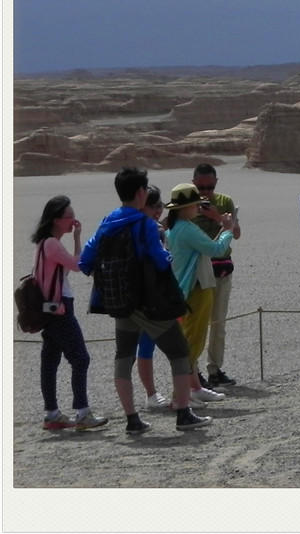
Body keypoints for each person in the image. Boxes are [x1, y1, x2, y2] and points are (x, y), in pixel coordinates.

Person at [78, 167, 212, 432]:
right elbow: (161, 262)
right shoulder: (146, 224)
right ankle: (183, 413)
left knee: (123, 358)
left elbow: (85, 261)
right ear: (141, 192)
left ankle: (132, 419)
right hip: (148, 303)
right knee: (179, 352)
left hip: (119, 302)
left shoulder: (107, 222)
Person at [30, 195, 108, 432]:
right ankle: (82, 412)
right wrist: (77, 239)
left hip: (51, 308)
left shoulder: (46, 243)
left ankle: (52, 414)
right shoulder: (52, 244)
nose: (73, 221)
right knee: (80, 358)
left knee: (50, 360)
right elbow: (77, 265)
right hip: (60, 308)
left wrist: (75, 238)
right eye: (69, 217)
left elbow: (69, 266)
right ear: (56, 219)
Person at [164, 182, 236, 405]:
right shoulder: (187, 229)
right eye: (195, 204)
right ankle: (181, 396)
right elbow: (216, 249)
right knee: (193, 345)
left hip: (186, 288)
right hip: (197, 288)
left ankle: (193, 389)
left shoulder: (174, 228)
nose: (198, 208)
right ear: (185, 208)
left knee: (188, 341)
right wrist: (227, 229)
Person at [192, 162, 241, 388]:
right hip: (196, 271)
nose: (205, 193)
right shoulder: (186, 204)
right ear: (193, 183)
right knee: (196, 323)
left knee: (218, 322)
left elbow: (236, 233)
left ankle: (215, 369)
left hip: (221, 269)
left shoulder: (224, 202)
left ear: (216, 183)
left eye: (210, 187)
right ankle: (193, 372)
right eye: (201, 188)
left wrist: (218, 217)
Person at [135, 186, 173, 409]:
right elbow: (162, 261)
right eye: (153, 206)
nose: (158, 210)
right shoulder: (151, 229)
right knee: (151, 345)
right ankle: (152, 394)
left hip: (138, 294)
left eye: (160, 205)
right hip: (150, 295)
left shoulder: (131, 226)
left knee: (137, 347)